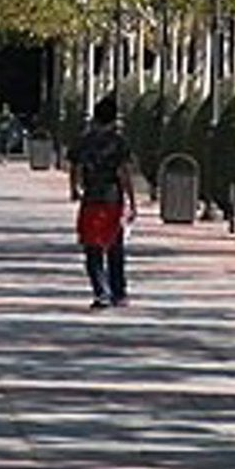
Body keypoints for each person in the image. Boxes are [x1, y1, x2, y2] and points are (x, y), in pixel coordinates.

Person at [69, 97, 138, 310]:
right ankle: (119, 292)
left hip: (91, 198)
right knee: (115, 246)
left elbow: (75, 167)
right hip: (112, 198)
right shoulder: (118, 143)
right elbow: (124, 173)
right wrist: (132, 200)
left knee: (92, 247)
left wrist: (74, 188)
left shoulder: (84, 141)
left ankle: (101, 292)